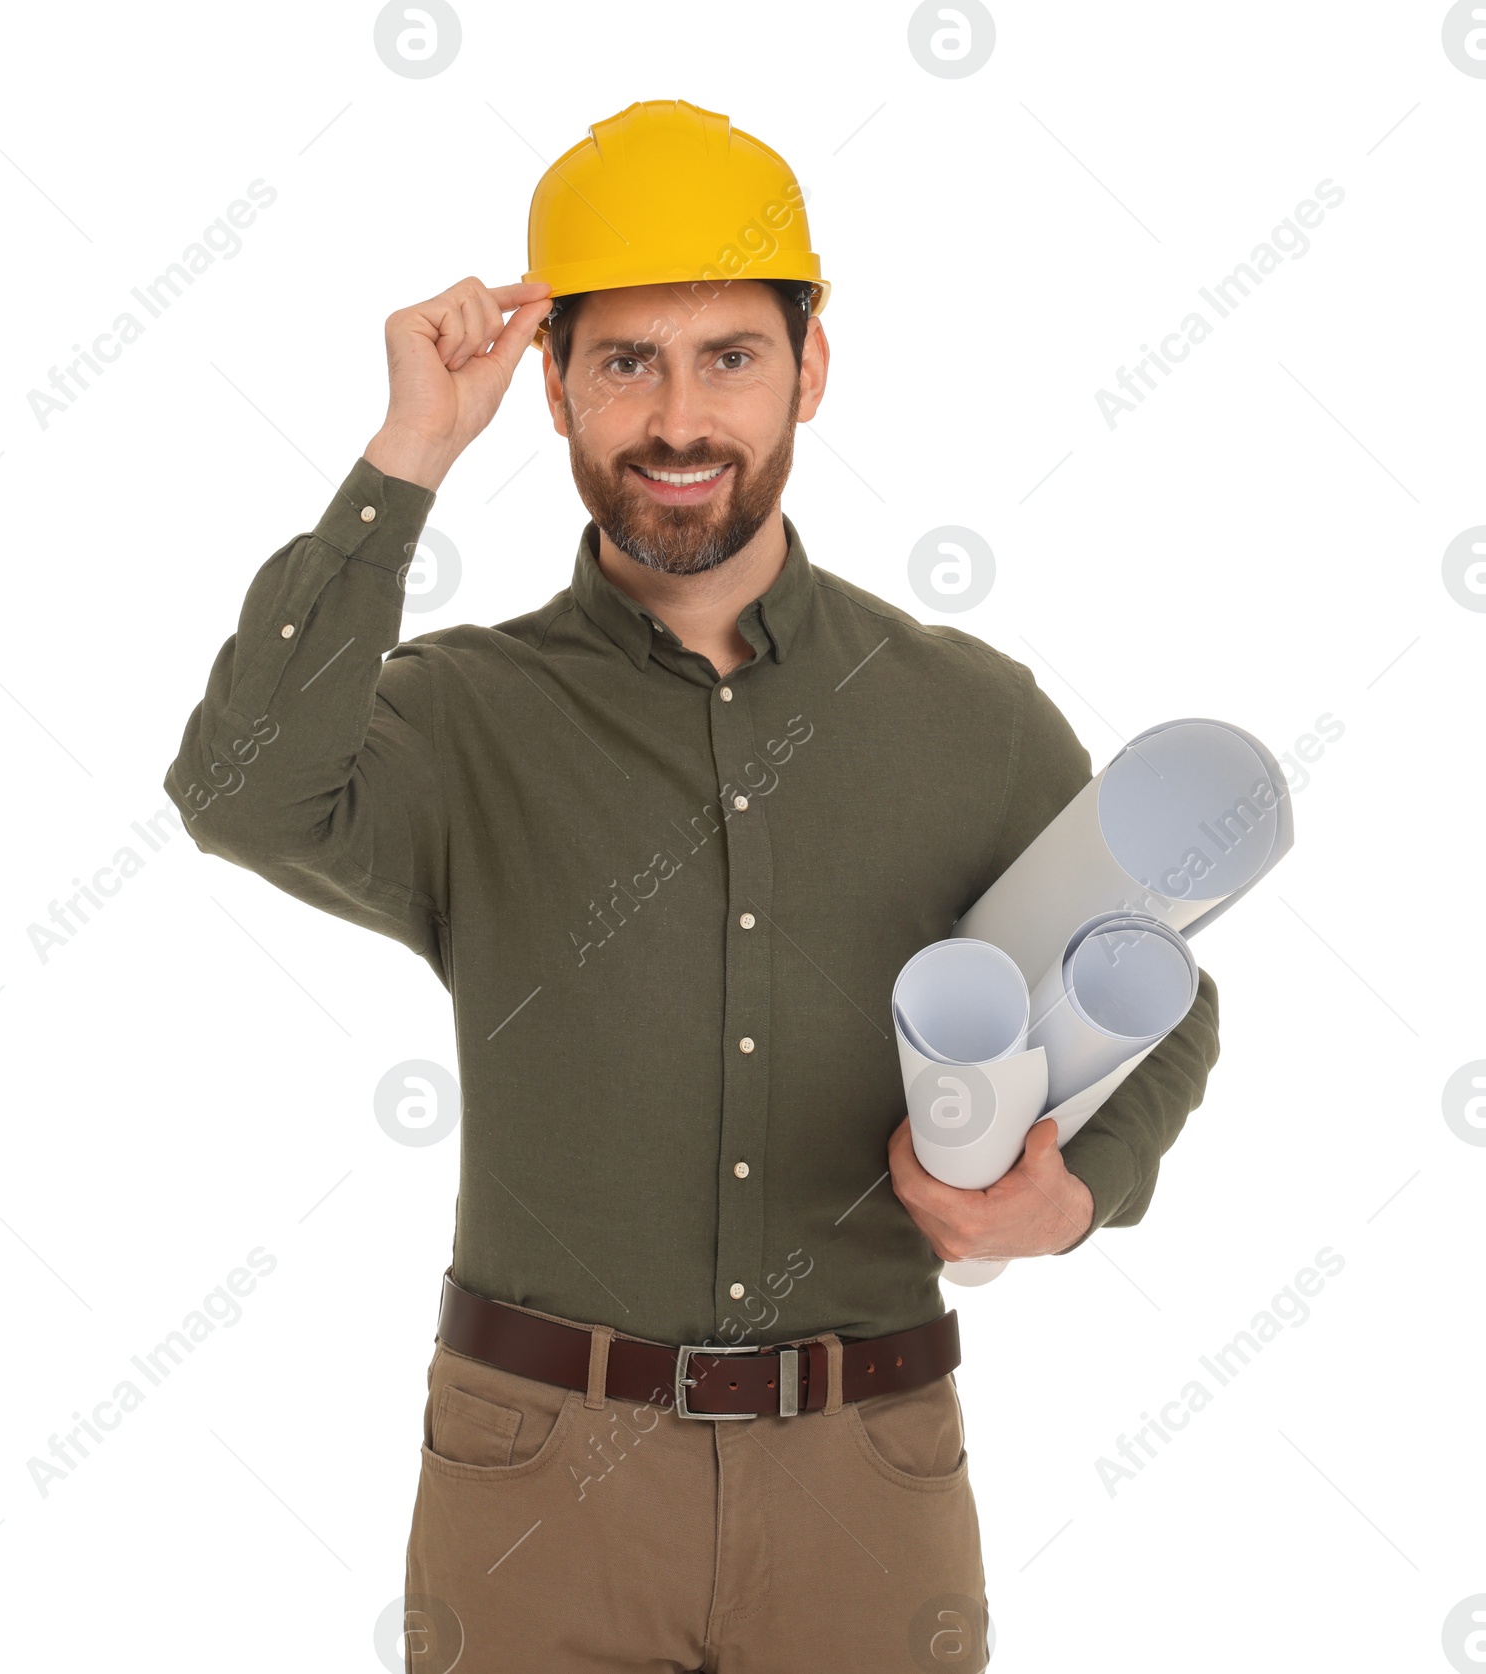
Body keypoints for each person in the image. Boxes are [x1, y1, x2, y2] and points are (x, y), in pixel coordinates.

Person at [164, 99, 1220, 1674]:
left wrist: (1071, 1195)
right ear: (555, 385)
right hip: (536, 1474)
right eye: (626, 362)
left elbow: (1162, 987)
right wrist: (405, 456)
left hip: (869, 1469)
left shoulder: (970, 713)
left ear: (812, 364)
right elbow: (241, 789)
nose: (678, 418)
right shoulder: (464, 714)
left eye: (729, 354)